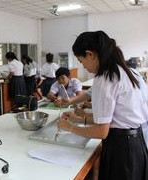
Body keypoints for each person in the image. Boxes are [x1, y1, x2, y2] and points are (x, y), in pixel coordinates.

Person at [58, 30, 148, 180]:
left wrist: (70, 127)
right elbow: (116, 117)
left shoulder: (104, 78)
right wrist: (80, 120)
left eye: (81, 61)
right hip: (137, 144)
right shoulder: (124, 71)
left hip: (122, 149)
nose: (83, 66)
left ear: (90, 54)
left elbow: (101, 132)